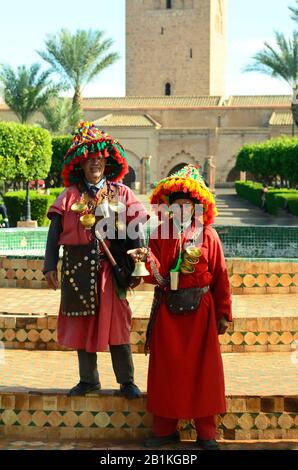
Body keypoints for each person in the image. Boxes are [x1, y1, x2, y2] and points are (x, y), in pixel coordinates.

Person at [129, 164, 232, 450]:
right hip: (169, 313)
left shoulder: (209, 235)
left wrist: (224, 313)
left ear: (197, 206)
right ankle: (164, 430)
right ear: (169, 207)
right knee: (166, 372)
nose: (183, 209)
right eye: (178, 205)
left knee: (204, 373)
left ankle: (206, 432)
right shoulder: (160, 234)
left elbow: (221, 275)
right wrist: (143, 259)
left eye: (188, 204)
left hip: (201, 313)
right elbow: (155, 273)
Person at [44, 121, 148, 398]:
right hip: (77, 271)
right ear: (81, 165)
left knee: (118, 323)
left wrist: (138, 264)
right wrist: (48, 265)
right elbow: (54, 234)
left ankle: (127, 381)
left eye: (99, 160)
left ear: (106, 161)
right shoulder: (69, 196)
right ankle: (88, 380)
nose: (95, 165)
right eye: (89, 161)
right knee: (82, 323)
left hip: (111, 270)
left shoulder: (121, 193)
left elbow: (137, 230)